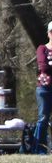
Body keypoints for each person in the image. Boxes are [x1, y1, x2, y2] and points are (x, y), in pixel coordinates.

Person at [33, 22, 52, 154]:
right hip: (44, 89)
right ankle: (40, 148)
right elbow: (43, 67)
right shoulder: (42, 49)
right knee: (43, 118)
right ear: (48, 33)